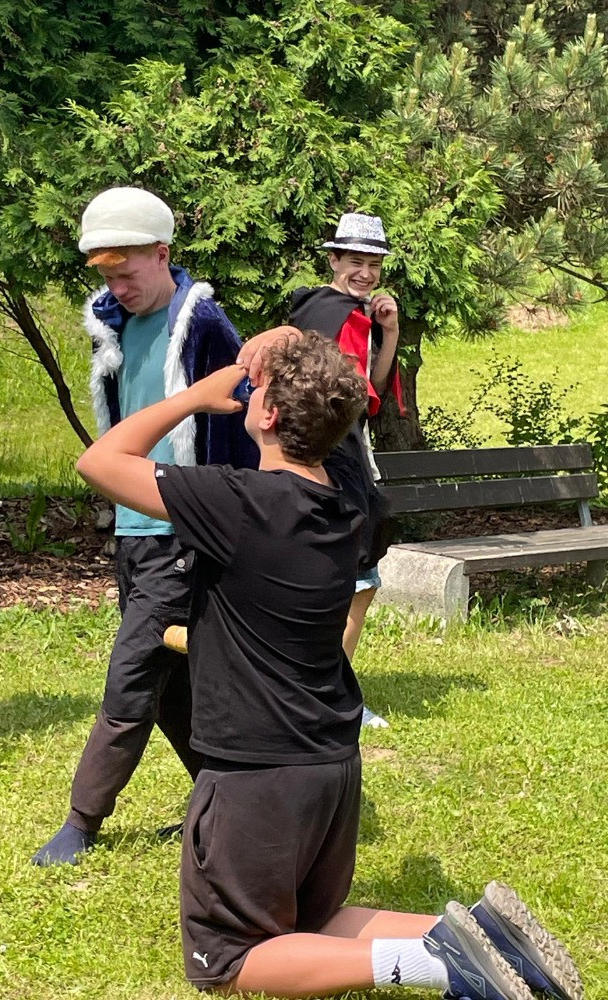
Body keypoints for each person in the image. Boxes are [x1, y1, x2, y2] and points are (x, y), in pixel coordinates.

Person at [74, 331, 582, 1000]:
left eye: (257, 391)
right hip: (330, 761)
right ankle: (490, 943)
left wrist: (195, 396)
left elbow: (101, 460)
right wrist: (293, 358)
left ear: (269, 414)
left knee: (227, 961)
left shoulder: (237, 504)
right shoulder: (345, 507)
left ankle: (444, 964)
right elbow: (321, 410)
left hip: (259, 771)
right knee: (310, 926)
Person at [32, 186, 260, 866]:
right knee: (172, 682)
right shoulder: (113, 324)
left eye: (127, 272)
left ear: (162, 254)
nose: (118, 287)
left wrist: (226, 527)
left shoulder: (205, 326)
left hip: (184, 532)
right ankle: (224, 803)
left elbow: (244, 432)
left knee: (133, 674)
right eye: (106, 276)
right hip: (133, 530)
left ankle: (82, 820)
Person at [241, 211, 404, 729]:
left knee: (355, 580)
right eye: (355, 261)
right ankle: (329, 696)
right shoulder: (322, 310)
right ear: (333, 260)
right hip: (329, 457)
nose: (365, 272)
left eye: (373, 263)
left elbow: (372, 391)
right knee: (351, 579)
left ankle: (325, 691)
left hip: (350, 449)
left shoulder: (358, 315)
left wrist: (389, 332)